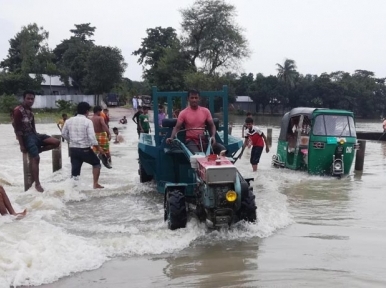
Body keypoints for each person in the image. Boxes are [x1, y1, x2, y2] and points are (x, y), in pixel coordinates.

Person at [12, 90, 60, 192]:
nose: (30, 100)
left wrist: (37, 136)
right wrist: (22, 145)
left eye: (32, 99)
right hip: (26, 137)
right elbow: (17, 129)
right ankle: (37, 184)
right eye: (28, 98)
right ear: (24, 99)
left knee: (56, 142)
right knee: (36, 158)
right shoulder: (18, 111)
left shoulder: (30, 110)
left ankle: (39, 150)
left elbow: (33, 126)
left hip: (34, 135)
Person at [166, 89, 226, 155]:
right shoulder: (183, 113)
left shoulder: (205, 111)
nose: (194, 100)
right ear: (188, 99)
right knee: (198, 155)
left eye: (196, 98)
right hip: (190, 141)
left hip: (203, 140)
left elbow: (212, 125)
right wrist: (171, 138)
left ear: (199, 99)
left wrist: (213, 136)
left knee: (222, 149)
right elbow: (177, 127)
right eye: (192, 98)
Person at [61, 102, 107, 189]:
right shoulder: (87, 121)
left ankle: (73, 190)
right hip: (84, 149)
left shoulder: (68, 121)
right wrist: (99, 148)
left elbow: (63, 134)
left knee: (75, 172)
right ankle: (95, 184)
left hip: (73, 150)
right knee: (96, 163)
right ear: (87, 111)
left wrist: (71, 141)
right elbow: (92, 138)